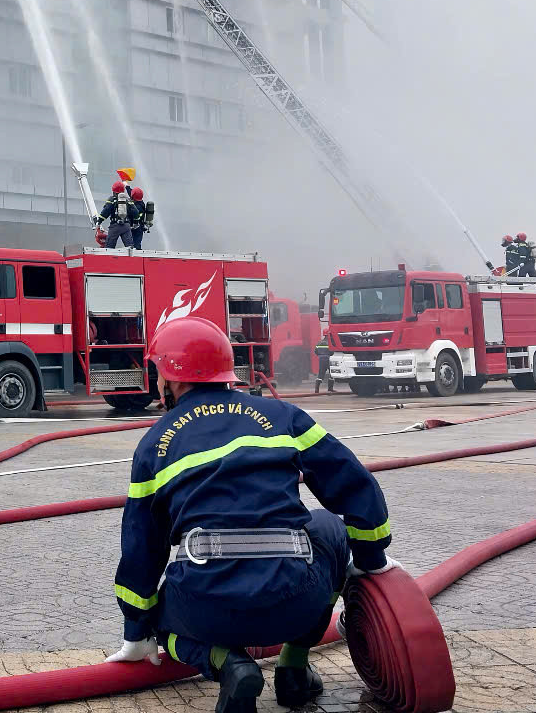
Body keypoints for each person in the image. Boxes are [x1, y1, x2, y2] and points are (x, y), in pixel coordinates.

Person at [106, 318, 396, 713]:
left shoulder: (154, 443)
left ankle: (230, 665)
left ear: (172, 377)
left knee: (153, 612)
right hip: (296, 600)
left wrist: (135, 631)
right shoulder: (282, 416)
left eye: (158, 371)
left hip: (207, 608)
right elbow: (354, 483)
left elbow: (141, 547)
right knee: (328, 527)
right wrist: (370, 560)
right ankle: (294, 667)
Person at [99, 180, 142, 249]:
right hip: (126, 226)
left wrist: (99, 220)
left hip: (115, 226)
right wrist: (135, 222)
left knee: (109, 247)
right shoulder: (128, 200)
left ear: (113, 191)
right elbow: (136, 212)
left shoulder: (111, 199)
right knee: (130, 247)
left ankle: (109, 259)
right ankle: (131, 259)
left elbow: (106, 211)